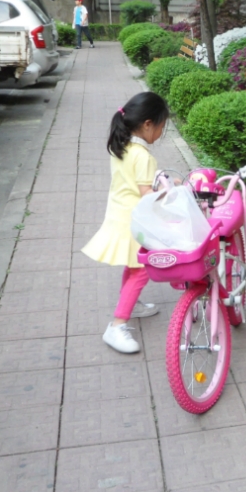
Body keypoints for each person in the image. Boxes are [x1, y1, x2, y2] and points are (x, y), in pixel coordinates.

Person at [81, 92, 169, 353]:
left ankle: (131, 304)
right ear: (148, 124)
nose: (161, 134)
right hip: (134, 221)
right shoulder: (143, 156)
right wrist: (171, 192)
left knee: (133, 267)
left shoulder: (122, 146)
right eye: (161, 127)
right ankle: (117, 326)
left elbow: (134, 181)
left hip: (118, 215)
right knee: (141, 270)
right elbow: (146, 193)